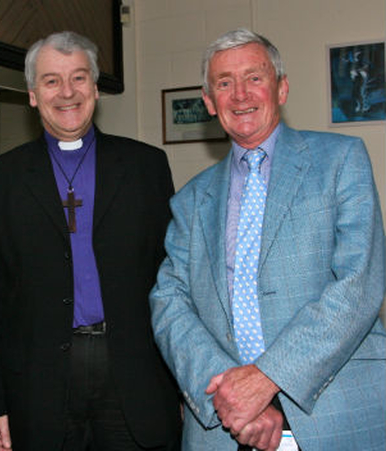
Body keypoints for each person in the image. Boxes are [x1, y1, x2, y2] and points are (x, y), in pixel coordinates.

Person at [150, 28, 386, 451]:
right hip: (224, 426)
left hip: (335, 415)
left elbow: (359, 283)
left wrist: (268, 377)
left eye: (254, 77)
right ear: (209, 102)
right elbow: (169, 302)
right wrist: (232, 395)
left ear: (281, 88)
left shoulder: (341, 161)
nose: (240, 95)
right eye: (224, 83)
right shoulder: (190, 200)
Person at [0, 31, 182, 451]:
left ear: (96, 88)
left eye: (79, 78)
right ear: (33, 94)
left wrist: (181, 387)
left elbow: (173, 280)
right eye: (51, 81)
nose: (67, 92)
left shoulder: (146, 167)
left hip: (135, 378)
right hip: (39, 387)